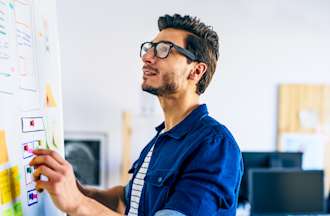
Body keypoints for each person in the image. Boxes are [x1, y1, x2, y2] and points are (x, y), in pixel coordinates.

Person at [30, 14, 243, 216]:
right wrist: (78, 190)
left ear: (196, 71)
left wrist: (78, 203)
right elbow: (126, 201)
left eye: (164, 50)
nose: (147, 57)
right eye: (150, 48)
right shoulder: (162, 139)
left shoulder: (214, 145)